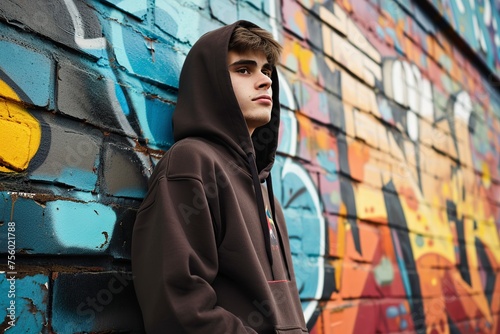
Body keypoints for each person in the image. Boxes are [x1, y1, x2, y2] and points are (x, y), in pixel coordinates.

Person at [131, 20, 308, 333]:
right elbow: (178, 306)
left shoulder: (266, 191)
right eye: (244, 69)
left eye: (266, 71)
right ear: (212, 84)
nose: (265, 81)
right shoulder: (191, 163)